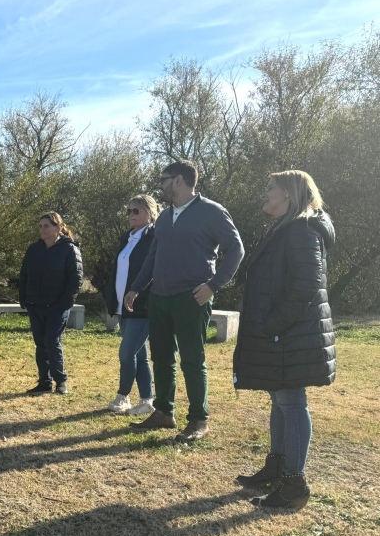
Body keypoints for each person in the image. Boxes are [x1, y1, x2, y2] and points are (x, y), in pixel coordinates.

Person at [233, 171, 335, 510]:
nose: (264, 194)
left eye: (269, 188)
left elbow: (306, 286)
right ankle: (277, 467)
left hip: (291, 335)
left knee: (291, 402)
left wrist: (273, 324)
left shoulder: (303, 231)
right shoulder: (286, 229)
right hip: (282, 334)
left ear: (288, 195)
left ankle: (294, 484)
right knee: (280, 399)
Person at [124, 160, 244, 442]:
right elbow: (153, 257)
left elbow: (236, 249)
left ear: (178, 180)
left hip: (191, 298)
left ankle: (199, 420)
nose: (161, 185)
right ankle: (164, 412)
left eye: (164, 179)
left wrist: (213, 286)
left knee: (192, 359)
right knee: (162, 357)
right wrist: (136, 288)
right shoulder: (164, 217)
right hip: (159, 298)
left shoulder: (212, 212)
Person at [103, 195, 157, 415]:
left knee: (126, 353)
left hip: (142, 306)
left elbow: (152, 270)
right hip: (122, 306)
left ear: (151, 212)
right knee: (139, 355)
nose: (131, 215)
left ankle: (123, 396)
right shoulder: (127, 237)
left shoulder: (155, 236)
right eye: (129, 211)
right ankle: (147, 401)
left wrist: (138, 293)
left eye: (136, 211)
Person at [18, 212, 83, 395]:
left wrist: (65, 303)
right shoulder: (34, 249)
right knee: (40, 343)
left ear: (58, 227)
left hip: (57, 306)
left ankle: (60, 381)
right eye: (40, 226)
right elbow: (24, 275)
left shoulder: (69, 249)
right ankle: (44, 382)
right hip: (36, 304)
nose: (42, 230)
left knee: (52, 341)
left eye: (46, 226)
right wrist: (24, 297)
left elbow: (76, 279)